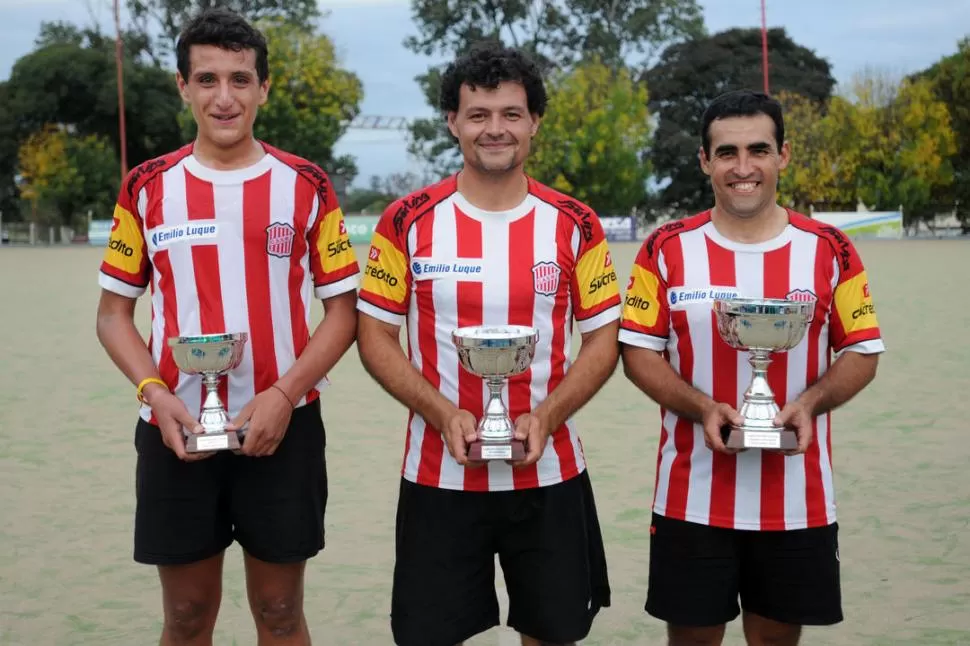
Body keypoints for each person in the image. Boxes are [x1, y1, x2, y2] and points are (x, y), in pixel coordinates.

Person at [95, 8, 359, 645]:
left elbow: (343, 313)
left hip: (283, 426)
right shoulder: (146, 187)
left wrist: (282, 395)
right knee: (186, 618)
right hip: (175, 431)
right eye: (207, 79)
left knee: (278, 612)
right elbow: (113, 316)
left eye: (240, 79)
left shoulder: (307, 185)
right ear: (182, 86)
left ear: (263, 88)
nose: (224, 96)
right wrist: (155, 396)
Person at [355, 42, 617, 646]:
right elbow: (374, 335)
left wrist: (546, 417)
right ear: (452, 121)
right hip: (438, 477)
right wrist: (443, 414)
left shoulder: (575, 223)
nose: (494, 129)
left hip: (550, 474)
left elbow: (604, 338)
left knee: (552, 635)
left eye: (510, 114)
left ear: (534, 123)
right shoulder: (407, 220)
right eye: (478, 115)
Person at [619, 89, 884, 646]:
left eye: (758, 150)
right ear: (704, 160)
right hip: (690, 496)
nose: (744, 168)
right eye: (727, 152)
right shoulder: (665, 248)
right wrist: (701, 407)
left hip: (797, 497)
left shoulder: (830, 249)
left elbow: (861, 351)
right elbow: (638, 352)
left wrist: (808, 404)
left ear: (783, 155)